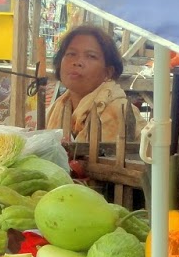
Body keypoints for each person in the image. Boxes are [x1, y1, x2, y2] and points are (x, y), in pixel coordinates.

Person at [47, 26, 129, 178]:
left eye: (91, 56)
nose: (77, 62)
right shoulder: (60, 105)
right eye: (71, 54)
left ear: (108, 72)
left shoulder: (115, 109)